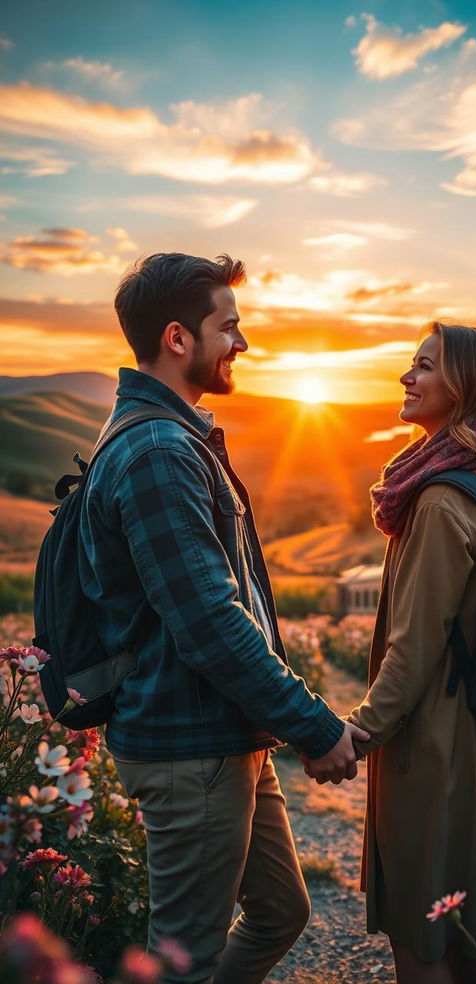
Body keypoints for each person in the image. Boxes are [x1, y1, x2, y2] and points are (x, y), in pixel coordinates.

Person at [78, 252, 369, 984]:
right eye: (229, 327)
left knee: (281, 913)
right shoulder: (157, 452)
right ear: (179, 339)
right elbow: (210, 618)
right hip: (189, 749)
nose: (242, 344)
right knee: (185, 959)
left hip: (222, 732)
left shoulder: (171, 437)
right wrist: (315, 725)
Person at [344, 321, 476, 984]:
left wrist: (358, 732)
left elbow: (415, 645)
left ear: (464, 387)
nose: (407, 376)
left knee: (423, 937)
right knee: (470, 937)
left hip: (436, 744)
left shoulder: (438, 498)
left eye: (425, 366)